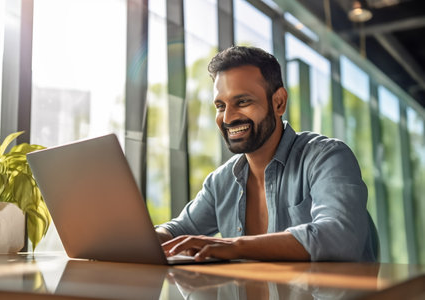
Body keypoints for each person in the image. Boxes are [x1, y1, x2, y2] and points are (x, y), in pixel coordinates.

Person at [155, 46, 378, 262]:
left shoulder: (326, 157)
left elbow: (340, 238)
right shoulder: (219, 182)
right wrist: (142, 239)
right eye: (221, 106)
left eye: (242, 102)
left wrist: (234, 246)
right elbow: (179, 230)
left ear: (279, 102)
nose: (228, 118)